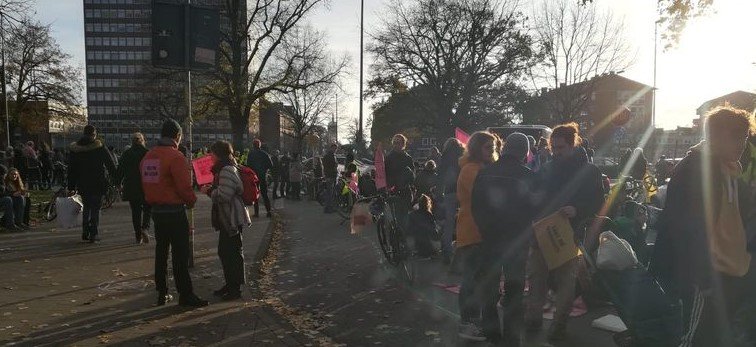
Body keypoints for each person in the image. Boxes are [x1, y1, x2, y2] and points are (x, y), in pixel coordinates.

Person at [651, 106, 755, 346]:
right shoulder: (695, 169)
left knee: (714, 335)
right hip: (702, 273)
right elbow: (686, 228)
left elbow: (735, 214)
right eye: (737, 137)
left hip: (727, 269)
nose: (743, 144)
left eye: (745, 137)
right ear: (716, 136)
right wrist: (704, 277)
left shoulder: (728, 169)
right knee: (694, 337)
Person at [525, 122, 605, 341]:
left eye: (560, 148)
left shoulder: (589, 171)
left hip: (569, 232)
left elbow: (599, 201)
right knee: (536, 278)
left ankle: (558, 325)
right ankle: (533, 320)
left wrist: (577, 209)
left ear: (573, 145)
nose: (555, 152)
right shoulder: (547, 167)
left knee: (565, 284)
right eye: (553, 148)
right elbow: (534, 195)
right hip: (542, 231)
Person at [471, 132, 539, 345]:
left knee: (489, 286)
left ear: (505, 148)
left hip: (490, 238)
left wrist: (485, 229)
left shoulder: (485, 173)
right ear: (525, 152)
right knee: (514, 289)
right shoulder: (528, 176)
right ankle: (511, 337)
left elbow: (476, 205)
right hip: (517, 241)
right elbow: (536, 208)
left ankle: (491, 332)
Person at [141, 118, 207, 308]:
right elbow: (184, 187)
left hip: (157, 212)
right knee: (180, 254)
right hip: (175, 212)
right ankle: (185, 294)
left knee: (161, 252)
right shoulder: (176, 157)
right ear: (177, 136)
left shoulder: (148, 157)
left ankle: (162, 292)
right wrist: (192, 201)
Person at [455, 131, 501, 342]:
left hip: (482, 232)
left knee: (480, 279)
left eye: (493, 147)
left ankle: (474, 322)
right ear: (475, 149)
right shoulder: (471, 170)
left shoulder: (482, 168)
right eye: (487, 148)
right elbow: (486, 199)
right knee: (472, 281)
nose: (491, 151)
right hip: (472, 231)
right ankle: (468, 323)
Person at [201, 141, 250, 301]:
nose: (210, 156)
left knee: (230, 252)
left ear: (219, 154)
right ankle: (231, 284)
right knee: (227, 251)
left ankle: (234, 288)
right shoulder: (226, 168)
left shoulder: (227, 170)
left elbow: (224, 195)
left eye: (212, 153)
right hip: (229, 217)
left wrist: (209, 191)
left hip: (231, 218)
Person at [67, 125, 117, 243]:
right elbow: (110, 165)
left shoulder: (75, 149)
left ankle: (85, 231)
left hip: (83, 183)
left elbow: (71, 169)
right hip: (97, 182)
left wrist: (71, 186)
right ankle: (93, 233)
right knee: (95, 208)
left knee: (86, 207)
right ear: (94, 134)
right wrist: (116, 178)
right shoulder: (100, 147)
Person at [117, 133, 151, 244]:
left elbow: (120, 170)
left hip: (131, 186)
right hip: (146, 186)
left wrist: (118, 183)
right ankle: (145, 228)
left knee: (135, 212)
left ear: (132, 141)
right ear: (142, 140)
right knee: (147, 208)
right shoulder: (147, 153)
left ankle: (138, 236)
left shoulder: (127, 154)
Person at [437, 138, 465, 264]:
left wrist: (438, 194)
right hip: (463, 192)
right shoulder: (463, 155)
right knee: (463, 222)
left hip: (449, 192)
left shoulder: (444, 157)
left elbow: (440, 177)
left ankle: (447, 252)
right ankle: (462, 251)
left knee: (449, 223)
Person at [384, 134, 415, 229]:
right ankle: (397, 236)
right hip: (393, 189)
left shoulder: (408, 158)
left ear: (403, 144)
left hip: (405, 189)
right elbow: (385, 173)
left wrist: (410, 183)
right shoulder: (389, 157)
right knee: (396, 215)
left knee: (404, 214)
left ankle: (403, 236)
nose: (396, 144)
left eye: (398, 142)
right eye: (394, 142)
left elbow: (413, 174)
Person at [246, 139, 273, 218]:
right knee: (265, 195)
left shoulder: (250, 154)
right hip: (262, 176)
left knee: (255, 194)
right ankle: (268, 212)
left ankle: (256, 213)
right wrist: (264, 169)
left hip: (254, 176)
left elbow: (248, 165)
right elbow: (271, 165)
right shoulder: (264, 154)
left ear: (253, 145)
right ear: (260, 145)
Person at [406, 194, 438, 258]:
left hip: (416, 239)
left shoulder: (412, 214)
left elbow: (409, 229)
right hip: (427, 238)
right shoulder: (429, 214)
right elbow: (433, 229)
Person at [322, 144, 338, 213]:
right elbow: (326, 166)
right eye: (334, 148)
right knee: (329, 193)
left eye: (335, 149)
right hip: (330, 176)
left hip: (332, 176)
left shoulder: (332, 155)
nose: (335, 150)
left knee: (331, 193)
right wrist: (327, 175)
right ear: (331, 148)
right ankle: (328, 208)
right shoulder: (329, 156)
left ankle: (329, 207)